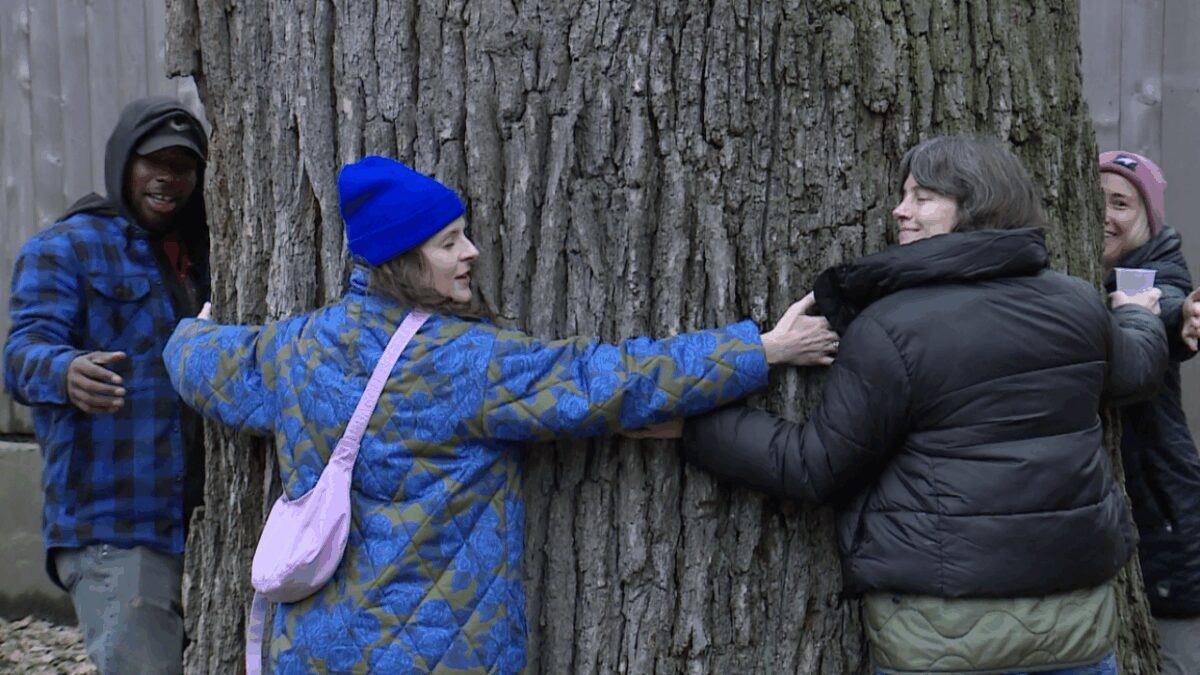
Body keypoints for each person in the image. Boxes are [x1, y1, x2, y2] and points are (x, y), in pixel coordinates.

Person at [161, 155, 839, 674]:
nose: (471, 252)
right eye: (449, 241)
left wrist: (192, 331)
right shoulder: (470, 364)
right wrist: (762, 348)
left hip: (313, 650)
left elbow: (206, 365)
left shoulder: (297, 348)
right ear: (403, 257)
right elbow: (612, 379)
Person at [655, 136, 1168, 674]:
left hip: (941, 637)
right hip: (1074, 632)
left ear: (977, 204)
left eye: (923, 197)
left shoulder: (891, 327)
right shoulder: (1076, 303)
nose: (901, 210)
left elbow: (816, 466)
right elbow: (1135, 369)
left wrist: (701, 425)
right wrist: (1137, 315)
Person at [3, 96, 210, 674]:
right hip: (114, 527)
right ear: (123, 163)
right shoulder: (64, 247)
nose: (169, 179)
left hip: (203, 521)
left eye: (184, 166)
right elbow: (19, 355)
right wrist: (64, 372)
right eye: (154, 163)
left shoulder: (208, 252)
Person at [1099, 150, 1200, 674]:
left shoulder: (1152, 274)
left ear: (1148, 219)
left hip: (1166, 527)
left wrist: (1178, 319)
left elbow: (1162, 305)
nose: (1105, 215)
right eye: (1096, 200)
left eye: (1121, 203)